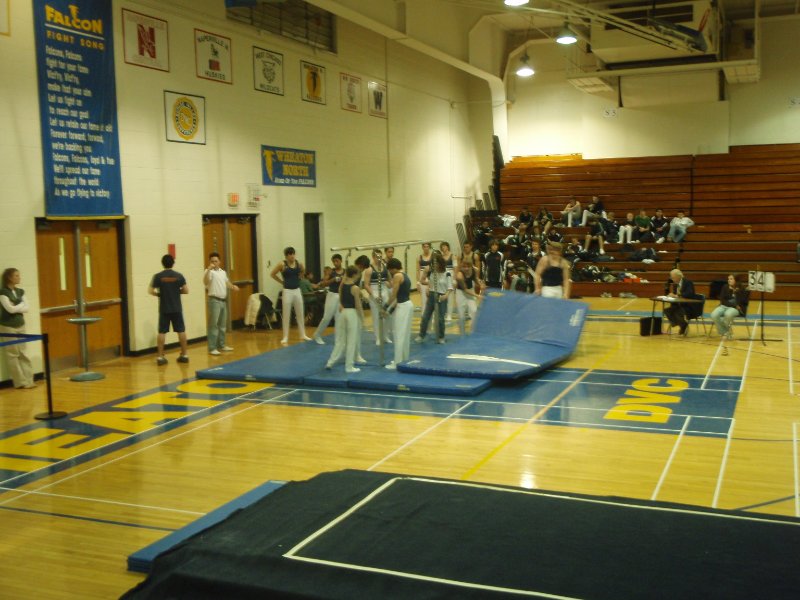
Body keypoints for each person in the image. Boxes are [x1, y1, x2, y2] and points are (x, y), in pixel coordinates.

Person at [149, 254, 189, 365]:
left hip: (164, 308)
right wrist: (177, 292)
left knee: (162, 332)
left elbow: (150, 291)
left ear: (162, 263)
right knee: (181, 330)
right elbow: (186, 290)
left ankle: (160, 357)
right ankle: (184, 355)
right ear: (173, 263)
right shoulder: (179, 276)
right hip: (177, 308)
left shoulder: (158, 276)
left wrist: (159, 294)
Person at [325, 265, 366, 373]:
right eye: (358, 274)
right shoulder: (355, 288)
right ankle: (349, 366)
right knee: (351, 340)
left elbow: (340, 292)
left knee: (340, 340)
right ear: (355, 275)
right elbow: (358, 304)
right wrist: (362, 317)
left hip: (343, 312)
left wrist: (341, 304)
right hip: (352, 313)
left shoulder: (342, 285)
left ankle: (330, 362)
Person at [0, 268, 35, 388]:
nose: (19, 278)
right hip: (7, 326)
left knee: (23, 352)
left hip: (20, 324)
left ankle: (29, 381)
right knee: (13, 354)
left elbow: (27, 308)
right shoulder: (3, 292)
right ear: (9, 278)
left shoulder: (20, 291)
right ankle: (20, 382)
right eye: (16, 276)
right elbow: (9, 309)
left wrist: (17, 306)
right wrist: (20, 305)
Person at [270, 246, 312, 346]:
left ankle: (303, 334)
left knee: (300, 313)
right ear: (286, 256)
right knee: (286, 314)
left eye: (293, 254)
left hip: (297, 290)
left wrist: (300, 277)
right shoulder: (282, 264)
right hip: (287, 291)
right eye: (290, 254)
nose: (292, 256)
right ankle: (285, 336)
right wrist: (281, 282)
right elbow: (272, 274)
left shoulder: (299, 263)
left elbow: (303, 271)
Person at [203, 252, 239, 355]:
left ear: (219, 262)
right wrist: (208, 269)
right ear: (210, 262)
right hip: (214, 300)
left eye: (216, 261)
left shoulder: (223, 272)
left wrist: (233, 287)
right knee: (213, 325)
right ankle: (212, 347)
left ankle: (222, 345)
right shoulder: (208, 272)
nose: (214, 263)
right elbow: (205, 282)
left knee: (222, 325)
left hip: (223, 301)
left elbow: (226, 282)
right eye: (212, 261)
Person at [384, 258, 413, 369]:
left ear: (393, 269)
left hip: (402, 306)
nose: (390, 273)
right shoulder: (405, 274)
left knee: (398, 335)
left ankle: (397, 362)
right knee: (405, 334)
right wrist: (390, 310)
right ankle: (404, 359)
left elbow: (394, 295)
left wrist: (385, 307)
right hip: (408, 304)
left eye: (390, 270)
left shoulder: (397, 276)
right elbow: (399, 296)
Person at [416, 252, 450, 344]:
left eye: (436, 264)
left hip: (442, 296)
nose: (434, 265)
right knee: (425, 316)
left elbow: (450, 287)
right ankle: (421, 335)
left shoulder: (446, 272)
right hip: (432, 295)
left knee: (440, 319)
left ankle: (441, 337)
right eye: (433, 264)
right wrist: (430, 285)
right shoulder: (429, 270)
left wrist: (446, 295)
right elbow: (422, 281)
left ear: (440, 263)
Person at [362, 249, 392, 345]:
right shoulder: (369, 270)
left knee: (387, 314)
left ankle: (385, 336)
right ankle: (378, 337)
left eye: (380, 257)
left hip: (384, 291)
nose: (379, 259)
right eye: (377, 257)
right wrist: (374, 295)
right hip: (374, 291)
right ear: (373, 257)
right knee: (376, 316)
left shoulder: (385, 267)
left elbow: (390, 280)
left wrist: (389, 284)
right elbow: (366, 285)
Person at [312, 254, 345, 344]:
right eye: (334, 261)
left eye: (337, 261)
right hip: (332, 295)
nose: (335, 263)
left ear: (341, 261)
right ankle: (317, 334)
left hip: (341, 296)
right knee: (327, 317)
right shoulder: (331, 272)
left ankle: (338, 338)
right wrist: (333, 279)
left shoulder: (345, 272)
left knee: (339, 318)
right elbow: (323, 283)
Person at [663, 268, 702, 335]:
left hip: (689, 306)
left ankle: (683, 326)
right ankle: (683, 325)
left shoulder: (688, 282)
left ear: (678, 276)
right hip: (679, 304)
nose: (672, 279)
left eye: (673, 277)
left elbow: (689, 294)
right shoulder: (675, 284)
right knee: (667, 311)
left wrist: (677, 295)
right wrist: (671, 295)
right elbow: (675, 295)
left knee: (678, 311)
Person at [710, 274, 748, 339]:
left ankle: (725, 333)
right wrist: (730, 292)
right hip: (725, 306)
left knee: (728, 314)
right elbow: (722, 300)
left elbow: (741, 302)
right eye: (728, 279)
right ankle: (725, 332)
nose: (729, 280)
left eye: (731, 279)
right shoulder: (725, 287)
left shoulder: (742, 289)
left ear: (736, 280)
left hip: (736, 308)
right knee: (714, 315)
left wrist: (736, 292)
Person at [417, 242, 433, 316]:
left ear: (429, 247)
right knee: (424, 297)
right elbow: (417, 270)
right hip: (422, 277)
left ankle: (432, 314)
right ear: (422, 247)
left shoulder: (432, 257)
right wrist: (418, 282)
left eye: (427, 246)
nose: (426, 248)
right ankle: (424, 314)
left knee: (431, 296)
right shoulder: (419, 257)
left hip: (430, 276)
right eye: (425, 247)